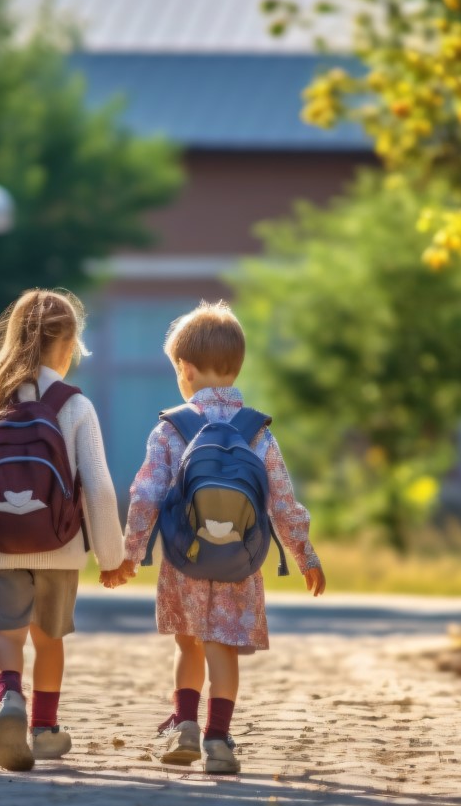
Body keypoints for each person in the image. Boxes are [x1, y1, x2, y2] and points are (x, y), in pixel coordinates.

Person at [103, 301, 325, 775]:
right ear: (236, 365)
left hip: (185, 559)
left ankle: (184, 724)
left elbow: (145, 496)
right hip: (238, 564)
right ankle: (219, 740)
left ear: (184, 368)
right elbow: (282, 500)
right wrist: (305, 555)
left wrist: (129, 554)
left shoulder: (170, 428)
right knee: (223, 648)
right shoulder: (258, 433)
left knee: (189, 645)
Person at [0, 289, 125, 772]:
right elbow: (100, 488)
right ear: (68, 345)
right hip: (60, 546)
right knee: (50, 639)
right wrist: (112, 557)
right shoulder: (74, 406)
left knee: (7, 638)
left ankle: (9, 700)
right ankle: (45, 730)